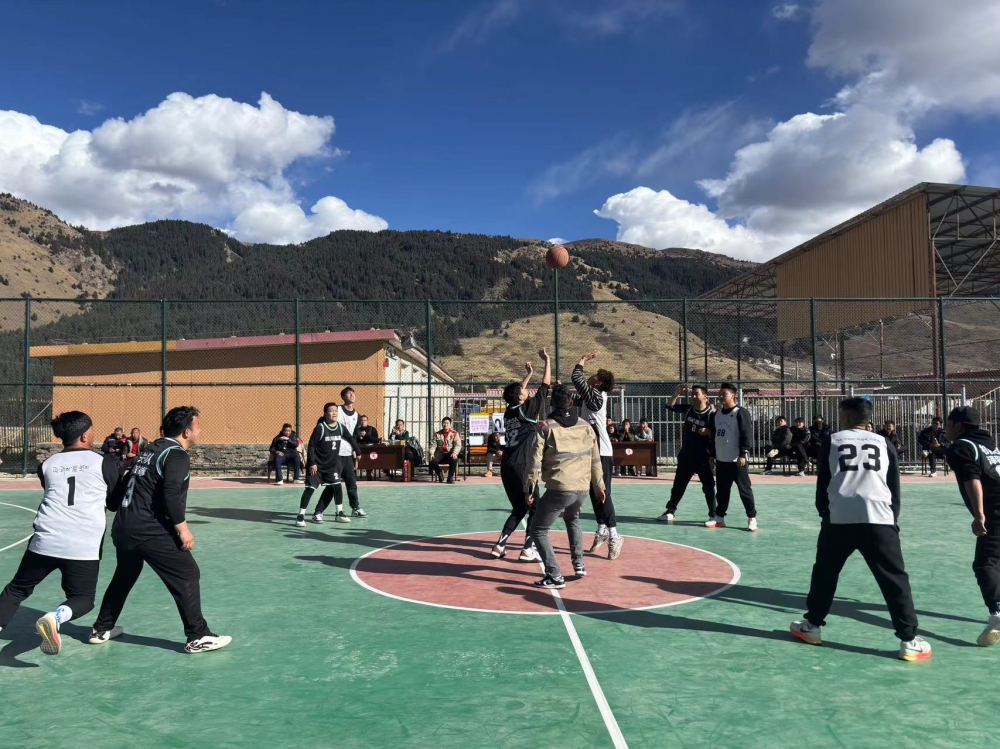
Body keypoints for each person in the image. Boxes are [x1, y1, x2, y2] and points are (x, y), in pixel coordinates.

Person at [790, 397, 931, 661]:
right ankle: (908, 640)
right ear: (868, 418)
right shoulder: (884, 442)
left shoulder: (833, 440)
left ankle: (813, 626)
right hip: (879, 518)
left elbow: (824, 482)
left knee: (825, 573)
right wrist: (892, 518)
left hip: (839, 518)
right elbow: (893, 485)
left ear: (846, 417)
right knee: (894, 579)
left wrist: (824, 513)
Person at [91, 406, 232, 654]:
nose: (200, 431)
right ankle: (198, 635)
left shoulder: (149, 450)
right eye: (198, 426)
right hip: (149, 529)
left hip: (124, 526)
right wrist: (183, 529)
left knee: (125, 574)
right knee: (187, 573)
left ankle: (102, 628)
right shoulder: (176, 455)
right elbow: (170, 494)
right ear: (187, 431)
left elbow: (124, 484)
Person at [0, 411, 121, 656]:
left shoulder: (46, 465)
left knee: (17, 589)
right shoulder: (103, 462)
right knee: (83, 598)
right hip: (83, 544)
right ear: (85, 435)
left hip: (45, 538)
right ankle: (55, 618)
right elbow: (113, 503)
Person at [525, 384, 605, 589]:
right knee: (572, 518)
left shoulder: (546, 427)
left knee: (538, 529)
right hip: (582, 489)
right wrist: (599, 485)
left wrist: (530, 487)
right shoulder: (585, 426)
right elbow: (595, 458)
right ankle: (579, 564)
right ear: (571, 402)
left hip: (560, 488)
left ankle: (554, 575)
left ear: (552, 403)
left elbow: (535, 460)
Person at [945, 406, 1000, 646]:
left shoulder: (961, 447)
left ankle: (998, 613)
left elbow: (972, 479)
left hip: (995, 512)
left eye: (948, 424)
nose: (945, 429)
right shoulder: (990, 446)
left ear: (958, 426)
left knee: (985, 563)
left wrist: (979, 515)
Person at [491, 350, 551, 562]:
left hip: (506, 466)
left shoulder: (509, 411)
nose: (526, 390)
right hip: (523, 465)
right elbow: (545, 386)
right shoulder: (528, 410)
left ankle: (499, 545)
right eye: (523, 390)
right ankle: (528, 548)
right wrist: (547, 361)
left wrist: (528, 374)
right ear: (519, 397)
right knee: (537, 507)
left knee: (520, 507)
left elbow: (517, 393)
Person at [572, 352, 622, 559]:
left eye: (595, 376)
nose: (591, 377)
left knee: (602, 492)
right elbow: (574, 399)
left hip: (601, 451)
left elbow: (577, 378)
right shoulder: (590, 397)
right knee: (593, 492)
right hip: (590, 450)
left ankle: (614, 535)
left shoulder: (596, 396)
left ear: (599, 382)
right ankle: (602, 528)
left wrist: (583, 360)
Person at [295, 404, 361, 526]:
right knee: (310, 489)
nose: (334, 413)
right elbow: (311, 446)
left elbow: (351, 439)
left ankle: (339, 513)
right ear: (325, 414)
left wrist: (358, 452)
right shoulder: (320, 428)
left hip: (331, 466)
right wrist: (312, 463)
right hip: (317, 466)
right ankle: (300, 516)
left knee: (337, 486)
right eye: (331, 411)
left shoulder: (340, 427)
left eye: (336, 411)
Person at [657, 384, 716, 523]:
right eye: (692, 394)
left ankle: (713, 514)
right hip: (686, 455)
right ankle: (670, 511)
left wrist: (708, 432)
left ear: (705, 397)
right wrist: (677, 393)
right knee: (679, 485)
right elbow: (670, 406)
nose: (693, 396)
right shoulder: (689, 408)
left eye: (697, 394)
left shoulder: (711, 414)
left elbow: (717, 433)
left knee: (708, 486)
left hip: (703, 457)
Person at [706, 383, 758, 531]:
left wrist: (743, 453)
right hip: (721, 460)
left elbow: (746, 434)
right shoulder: (716, 414)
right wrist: (712, 454)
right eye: (720, 394)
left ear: (733, 395)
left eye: (725, 394)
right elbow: (714, 436)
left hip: (737, 460)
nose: (721, 396)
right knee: (722, 491)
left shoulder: (740, 412)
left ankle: (752, 517)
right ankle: (720, 517)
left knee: (744, 490)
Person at [336, 387, 368, 517]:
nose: (352, 395)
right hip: (335, 453)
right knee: (333, 484)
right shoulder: (337, 410)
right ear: (343, 397)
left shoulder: (356, 416)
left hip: (348, 453)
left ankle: (355, 508)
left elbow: (354, 436)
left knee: (351, 482)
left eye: (353, 393)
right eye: (349, 394)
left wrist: (355, 451)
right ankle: (324, 510)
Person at [430, 417, 462, 483]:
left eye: (447, 423)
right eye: (444, 423)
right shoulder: (437, 434)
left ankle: (450, 478)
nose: (445, 425)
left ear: (450, 425)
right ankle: (440, 475)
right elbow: (433, 445)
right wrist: (431, 453)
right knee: (432, 460)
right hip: (440, 453)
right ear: (442, 424)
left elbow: (458, 445)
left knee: (454, 458)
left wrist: (455, 453)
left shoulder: (454, 433)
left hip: (449, 453)